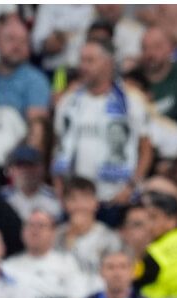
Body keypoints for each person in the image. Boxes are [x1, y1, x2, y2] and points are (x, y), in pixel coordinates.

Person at [52, 39, 152, 213]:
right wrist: (59, 187)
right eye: (81, 60)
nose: (83, 66)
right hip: (77, 200)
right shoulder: (68, 102)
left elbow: (146, 149)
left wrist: (131, 186)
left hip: (116, 197)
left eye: (90, 61)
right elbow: (58, 147)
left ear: (108, 64)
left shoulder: (131, 102)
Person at [3, 209, 87, 298]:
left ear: (53, 233)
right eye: (30, 225)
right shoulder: (8, 267)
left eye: (41, 226)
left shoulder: (68, 262)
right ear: (22, 232)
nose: (35, 230)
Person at [75, 250, 158, 298]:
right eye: (110, 267)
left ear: (133, 272)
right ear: (101, 272)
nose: (117, 273)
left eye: (123, 267)